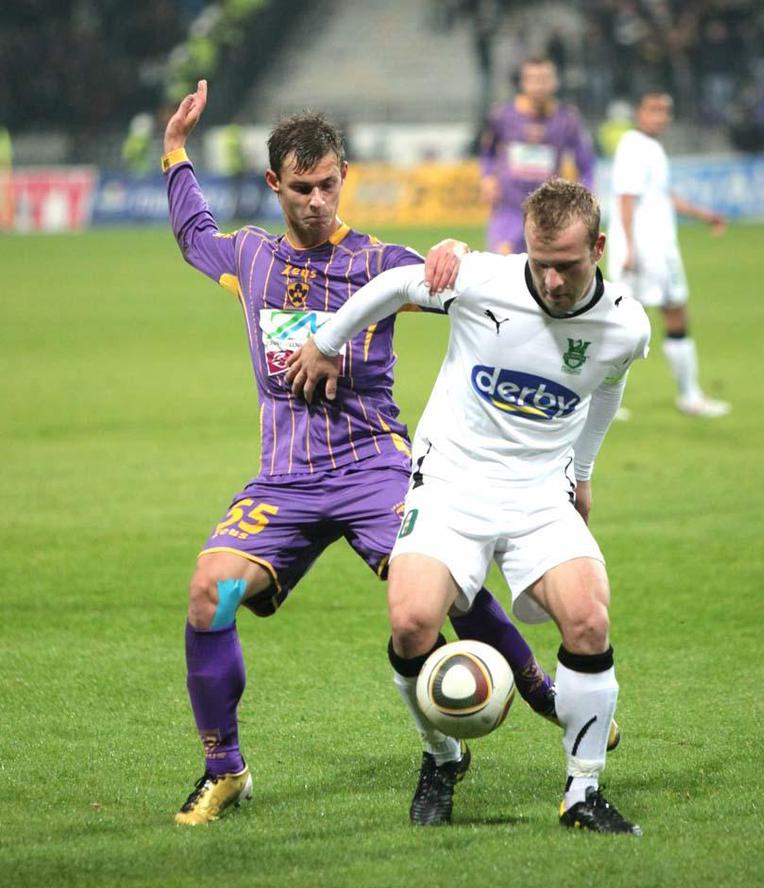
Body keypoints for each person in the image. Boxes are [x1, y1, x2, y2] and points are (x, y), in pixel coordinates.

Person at [162, 81, 564, 826]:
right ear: (274, 184)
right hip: (283, 480)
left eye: (327, 184)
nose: (316, 200)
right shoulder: (250, 258)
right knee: (207, 593)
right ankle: (225, 770)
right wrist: (175, 152)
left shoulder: (384, 262)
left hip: (374, 466)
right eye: (300, 188)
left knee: (443, 587)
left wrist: (454, 251)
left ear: (343, 176)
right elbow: (193, 233)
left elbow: (473, 288)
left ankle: (539, 688)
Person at [287, 179, 650, 834]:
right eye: (540, 263)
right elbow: (397, 285)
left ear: (597, 248)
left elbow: (605, 389)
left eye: (567, 265)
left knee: (589, 620)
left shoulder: (624, 326)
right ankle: (442, 755)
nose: (553, 280)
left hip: (539, 493)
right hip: (451, 482)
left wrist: (584, 474)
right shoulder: (482, 279)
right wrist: (328, 341)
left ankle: (582, 793)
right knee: (410, 623)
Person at [607, 90, 731, 417]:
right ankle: (601, 398)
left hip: (659, 249)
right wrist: (629, 249)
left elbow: (665, 197)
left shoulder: (651, 148)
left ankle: (688, 394)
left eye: (665, 110)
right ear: (638, 112)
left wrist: (705, 215)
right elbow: (625, 199)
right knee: (626, 323)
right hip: (646, 251)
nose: (660, 116)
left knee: (666, 315)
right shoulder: (633, 147)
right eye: (653, 109)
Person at [479, 56, 594, 255]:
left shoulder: (567, 119)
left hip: (549, 211)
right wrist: (487, 177)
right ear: (523, 82)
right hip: (509, 210)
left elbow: (585, 163)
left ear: (555, 82)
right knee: (502, 272)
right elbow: (487, 151)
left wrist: (585, 196)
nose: (539, 86)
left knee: (544, 278)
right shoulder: (502, 116)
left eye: (544, 79)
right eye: (533, 79)